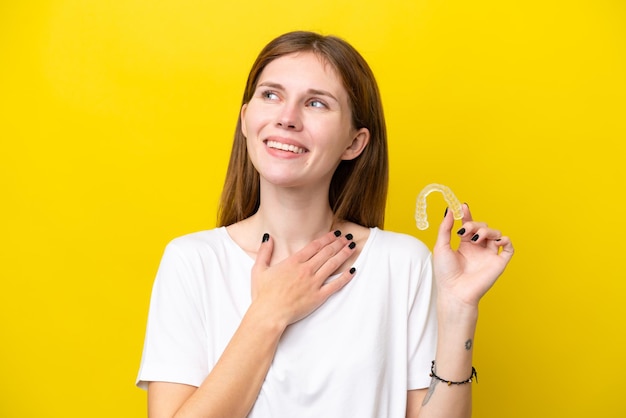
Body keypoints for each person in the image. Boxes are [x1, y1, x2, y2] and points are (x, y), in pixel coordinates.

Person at [136, 30, 514, 418]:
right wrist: (270, 312)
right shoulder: (191, 261)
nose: (287, 118)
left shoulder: (400, 263)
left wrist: (459, 307)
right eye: (271, 95)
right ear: (246, 118)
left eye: (316, 103)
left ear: (355, 142)